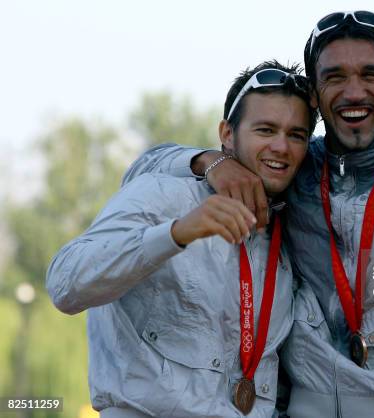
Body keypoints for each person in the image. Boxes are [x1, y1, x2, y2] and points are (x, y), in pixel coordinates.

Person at [123, 11, 374, 418]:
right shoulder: (293, 168)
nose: (353, 92)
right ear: (313, 93)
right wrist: (208, 161)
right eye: (334, 77)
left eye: (369, 75)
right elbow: (140, 169)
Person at [46, 60, 317, 418]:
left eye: (296, 135)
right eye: (265, 130)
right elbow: (65, 284)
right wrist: (176, 234)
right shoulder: (163, 196)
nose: (282, 147)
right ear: (227, 134)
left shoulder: (288, 232)